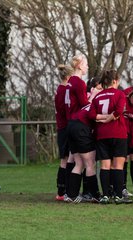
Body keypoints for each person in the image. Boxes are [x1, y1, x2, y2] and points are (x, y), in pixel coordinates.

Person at [88, 69, 133, 204]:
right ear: (115, 81)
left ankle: (105, 195)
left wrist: (101, 118)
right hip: (118, 133)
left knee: (105, 166)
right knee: (118, 166)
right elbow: (119, 111)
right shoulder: (119, 94)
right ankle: (118, 196)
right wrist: (108, 118)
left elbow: (91, 115)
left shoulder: (97, 96)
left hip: (102, 134)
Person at [65, 55, 100, 203]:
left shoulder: (69, 82)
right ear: (79, 65)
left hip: (71, 124)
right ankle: (94, 194)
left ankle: (71, 194)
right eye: (85, 64)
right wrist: (93, 95)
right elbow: (85, 104)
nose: (87, 67)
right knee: (89, 162)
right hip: (80, 124)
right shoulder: (78, 82)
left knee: (78, 162)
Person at [54, 64, 74, 201]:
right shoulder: (65, 90)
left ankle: (62, 191)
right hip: (66, 127)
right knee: (68, 159)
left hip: (62, 128)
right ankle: (64, 191)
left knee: (65, 159)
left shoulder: (59, 89)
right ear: (68, 77)